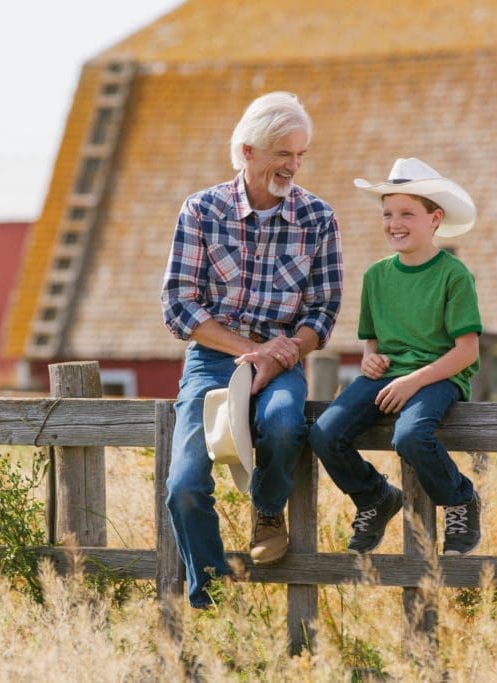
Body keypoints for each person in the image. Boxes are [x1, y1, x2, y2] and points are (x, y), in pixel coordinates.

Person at [160, 91, 343, 608]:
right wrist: (250, 350)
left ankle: (267, 509)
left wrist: (277, 356)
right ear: (248, 152)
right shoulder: (201, 210)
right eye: (283, 153)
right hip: (213, 359)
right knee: (184, 485)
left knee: (285, 423)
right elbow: (179, 306)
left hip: (282, 361)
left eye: (300, 155)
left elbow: (323, 315)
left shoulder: (318, 218)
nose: (294, 165)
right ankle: (213, 596)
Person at [308, 157, 482, 556]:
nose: (394, 223)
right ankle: (374, 497)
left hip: (437, 377)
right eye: (387, 214)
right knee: (324, 433)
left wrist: (413, 380)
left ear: (435, 218)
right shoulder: (376, 277)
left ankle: (459, 499)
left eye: (407, 213)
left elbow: (467, 351)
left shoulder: (454, 275)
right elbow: (372, 342)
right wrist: (370, 358)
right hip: (386, 377)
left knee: (411, 435)